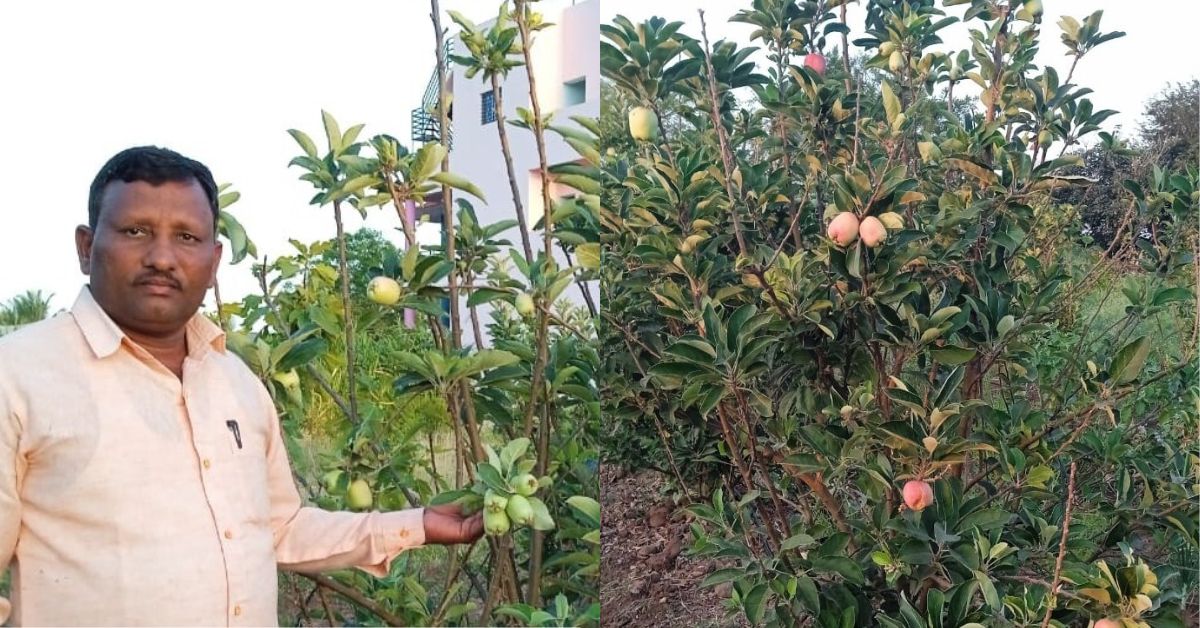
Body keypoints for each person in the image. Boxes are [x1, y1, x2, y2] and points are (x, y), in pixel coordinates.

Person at [0, 146, 483, 626]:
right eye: (136, 231)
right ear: (87, 247)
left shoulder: (237, 383)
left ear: (213, 264)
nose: (162, 257)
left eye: (186, 237)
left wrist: (416, 525)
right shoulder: (19, 375)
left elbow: (277, 527)